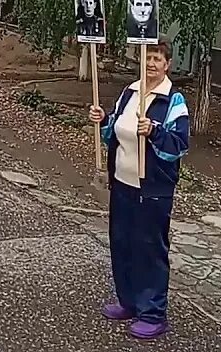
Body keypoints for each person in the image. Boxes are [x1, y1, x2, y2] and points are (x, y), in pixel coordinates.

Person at [87, 39, 190, 340]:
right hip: (123, 182)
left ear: (167, 64)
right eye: (147, 58)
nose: (151, 64)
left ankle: (154, 313)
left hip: (153, 190)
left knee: (149, 249)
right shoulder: (129, 93)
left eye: (158, 59)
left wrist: (155, 131)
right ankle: (129, 301)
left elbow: (179, 146)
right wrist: (104, 120)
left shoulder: (173, 101)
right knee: (122, 243)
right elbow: (115, 132)